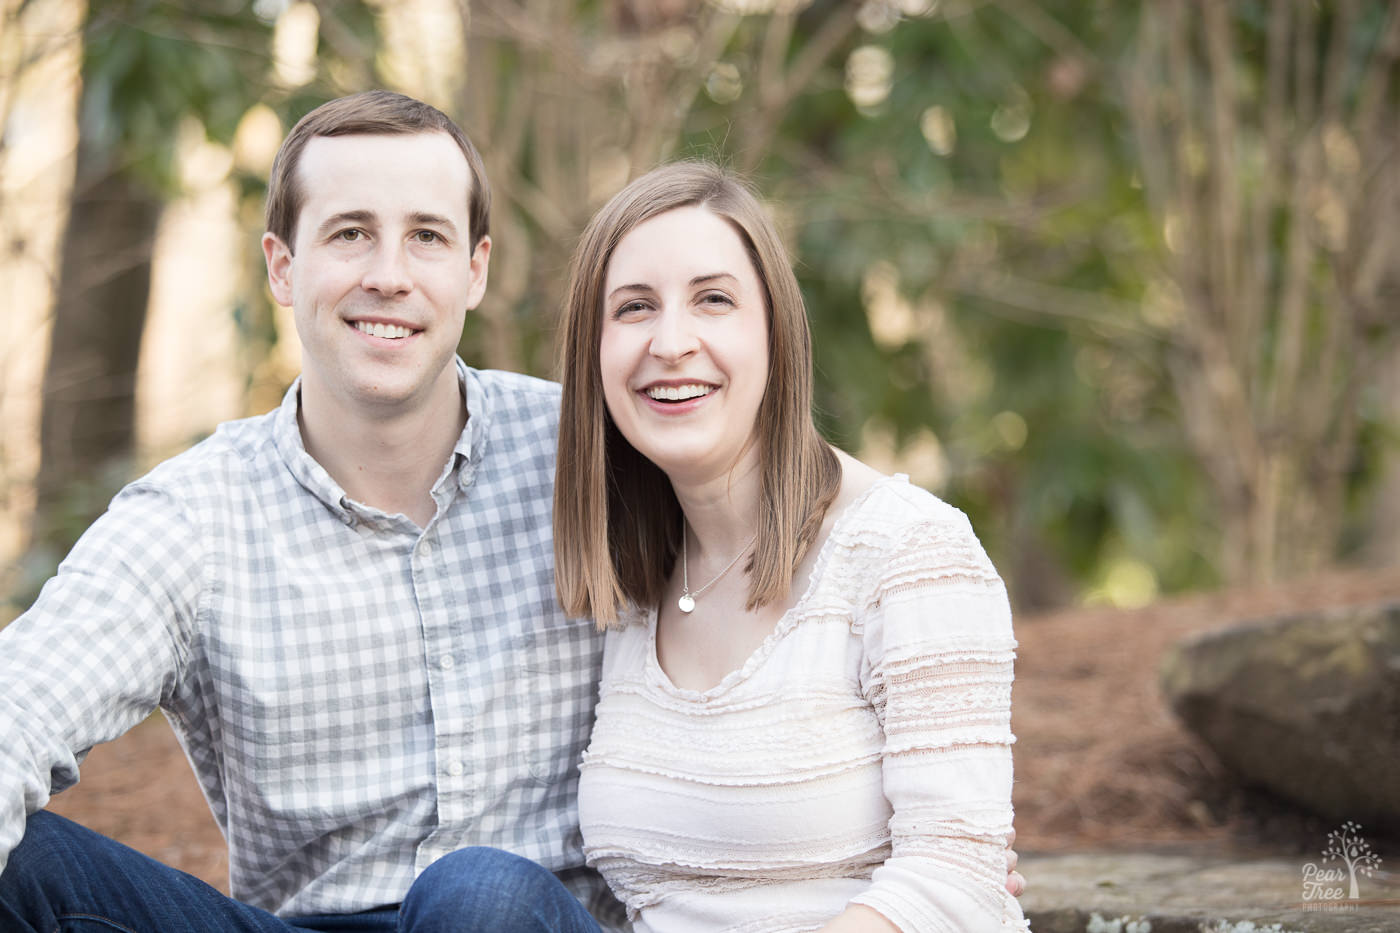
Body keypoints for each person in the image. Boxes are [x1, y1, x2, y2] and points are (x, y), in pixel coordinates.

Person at [0, 91, 617, 932]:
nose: (389, 275)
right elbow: (20, 704)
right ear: (282, 267)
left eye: (426, 237)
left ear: (474, 269)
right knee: (26, 868)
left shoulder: (584, 453)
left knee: (480, 895)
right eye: (350, 232)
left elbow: (775, 497)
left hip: (520, 919)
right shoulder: (198, 516)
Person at [554, 161, 1027, 931]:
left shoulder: (908, 551)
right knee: (483, 887)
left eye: (713, 299)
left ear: (776, 330)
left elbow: (957, 875)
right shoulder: (634, 587)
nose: (671, 342)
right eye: (635, 307)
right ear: (594, 355)